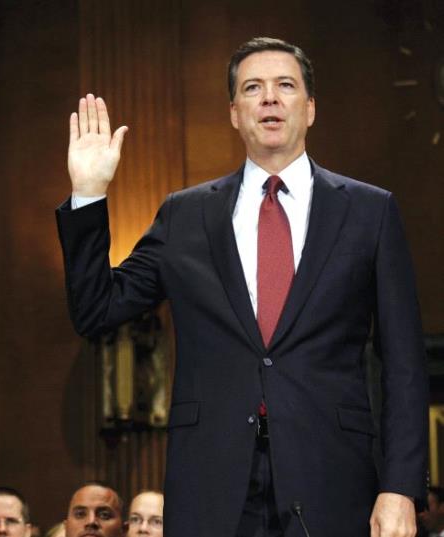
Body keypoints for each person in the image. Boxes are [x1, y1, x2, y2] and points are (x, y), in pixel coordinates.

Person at [56, 37, 428, 537]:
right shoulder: (185, 214)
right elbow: (97, 310)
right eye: (253, 88)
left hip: (332, 477)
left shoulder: (370, 212)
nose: (269, 98)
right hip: (212, 480)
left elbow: (403, 362)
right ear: (234, 113)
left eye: (285, 86)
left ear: (311, 108)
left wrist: (400, 487)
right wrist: (88, 194)